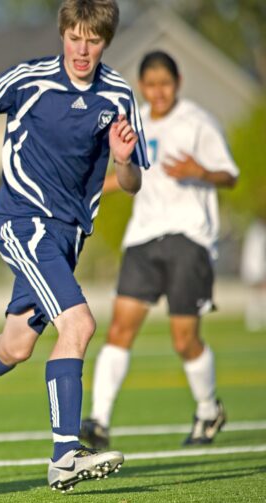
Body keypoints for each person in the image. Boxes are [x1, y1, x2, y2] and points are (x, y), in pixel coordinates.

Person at [0, 0, 148, 493]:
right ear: (63, 33)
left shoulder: (118, 94)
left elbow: (130, 184)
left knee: (17, 344)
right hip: (24, 223)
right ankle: (65, 454)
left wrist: (123, 159)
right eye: (75, 38)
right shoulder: (29, 79)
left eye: (93, 40)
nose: (82, 50)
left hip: (68, 237)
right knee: (80, 324)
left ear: (105, 41)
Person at [80, 50, 237, 450]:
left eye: (164, 83)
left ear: (177, 82)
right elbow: (127, 176)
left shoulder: (197, 123)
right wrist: (82, 192)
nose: (157, 92)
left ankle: (207, 408)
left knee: (184, 339)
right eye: (150, 85)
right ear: (142, 87)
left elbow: (229, 175)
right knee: (118, 330)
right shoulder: (135, 123)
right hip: (142, 239)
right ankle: (98, 422)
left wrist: (200, 172)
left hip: (189, 238)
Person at [240, 214, 266, 332]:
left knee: (258, 294)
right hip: (255, 267)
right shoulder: (257, 232)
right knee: (258, 293)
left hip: (255, 267)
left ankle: (255, 319)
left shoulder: (257, 232)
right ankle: (254, 320)